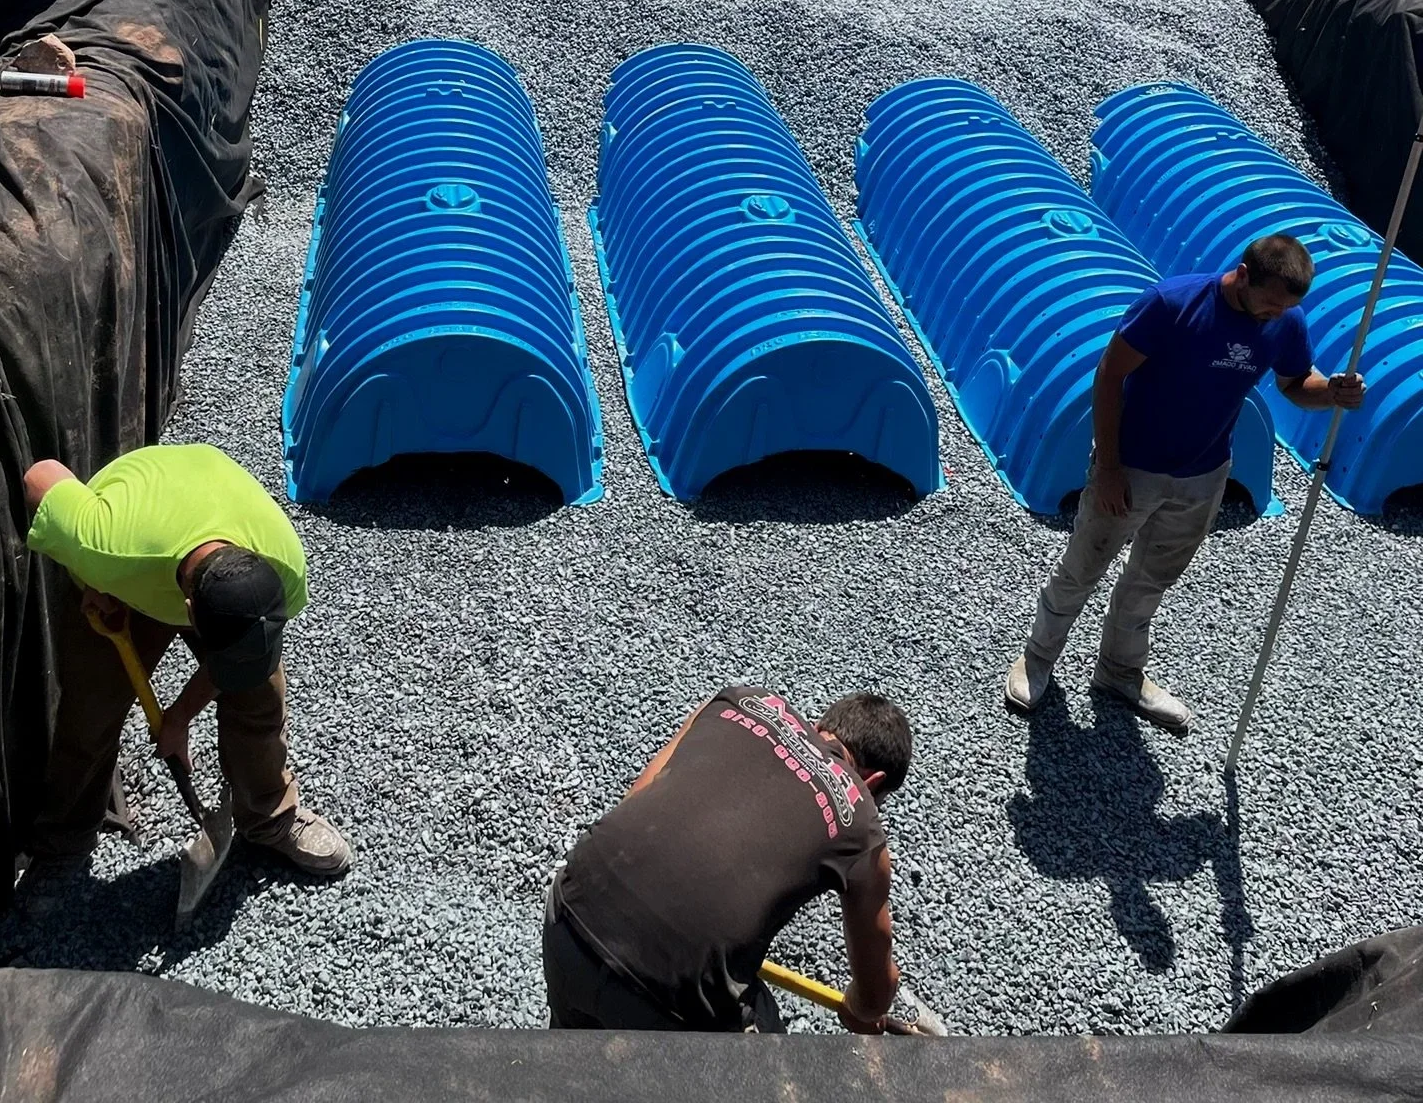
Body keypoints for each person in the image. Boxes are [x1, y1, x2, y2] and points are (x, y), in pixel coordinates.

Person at [1005, 233, 1365, 734]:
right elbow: (1109, 375)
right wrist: (1107, 467)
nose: (1273, 316)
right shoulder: (1171, 304)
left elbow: (1294, 383)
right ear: (1243, 274)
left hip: (1205, 474)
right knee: (1082, 568)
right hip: (1131, 468)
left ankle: (1120, 672)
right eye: (1268, 305)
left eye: (1284, 309)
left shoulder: (1285, 319)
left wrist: (1332, 392)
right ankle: (1038, 657)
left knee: (1150, 581)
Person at [21, 441, 351, 883]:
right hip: (129, 567)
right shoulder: (105, 543)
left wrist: (177, 718)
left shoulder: (284, 565)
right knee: (90, 713)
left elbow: (233, 661)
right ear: (189, 613)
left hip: (197, 517)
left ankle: (270, 816)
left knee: (261, 696)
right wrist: (87, 579)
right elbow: (40, 474)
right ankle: (64, 841)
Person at [543, 687, 926, 1034]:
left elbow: (636, 798)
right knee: (767, 1063)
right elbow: (876, 992)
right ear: (873, 782)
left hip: (569, 912)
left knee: (568, 1063)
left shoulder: (739, 700)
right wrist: (859, 1011)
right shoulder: (861, 821)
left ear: (819, 724)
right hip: (667, 997)